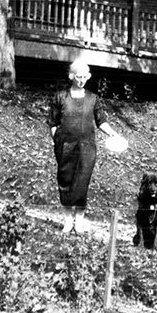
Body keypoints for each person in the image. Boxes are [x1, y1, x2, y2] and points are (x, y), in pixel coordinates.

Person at [48, 58, 123, 234]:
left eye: (84, 77)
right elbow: (52, 122)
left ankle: (79, 222)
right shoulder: (60, 97)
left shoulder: (92, 99)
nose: (81, 80)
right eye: (78, 76)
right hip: (65, 146)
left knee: (82, 182)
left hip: (87, 147)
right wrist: (56, 139)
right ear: (72, 76)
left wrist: (112, 133)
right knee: (65, 181)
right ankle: (67, 221)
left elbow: (101, 121)